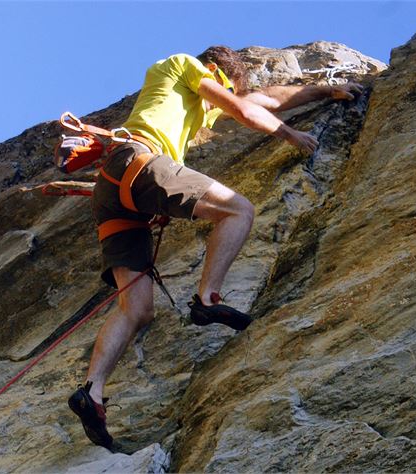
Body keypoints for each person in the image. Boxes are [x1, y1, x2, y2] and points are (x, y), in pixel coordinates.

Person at [68, 46, 362, 449]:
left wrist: (326, 90)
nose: (222, 97)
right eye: (225, 86)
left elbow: (269, 99)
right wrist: (290, 134)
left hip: (112, 191)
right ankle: (207, 298)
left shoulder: (194, 103)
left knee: (135, 308)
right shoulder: (182, 65)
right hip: (138, 161)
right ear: (216, 72)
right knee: (238, 210)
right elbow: (243, 109)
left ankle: (92, 392)